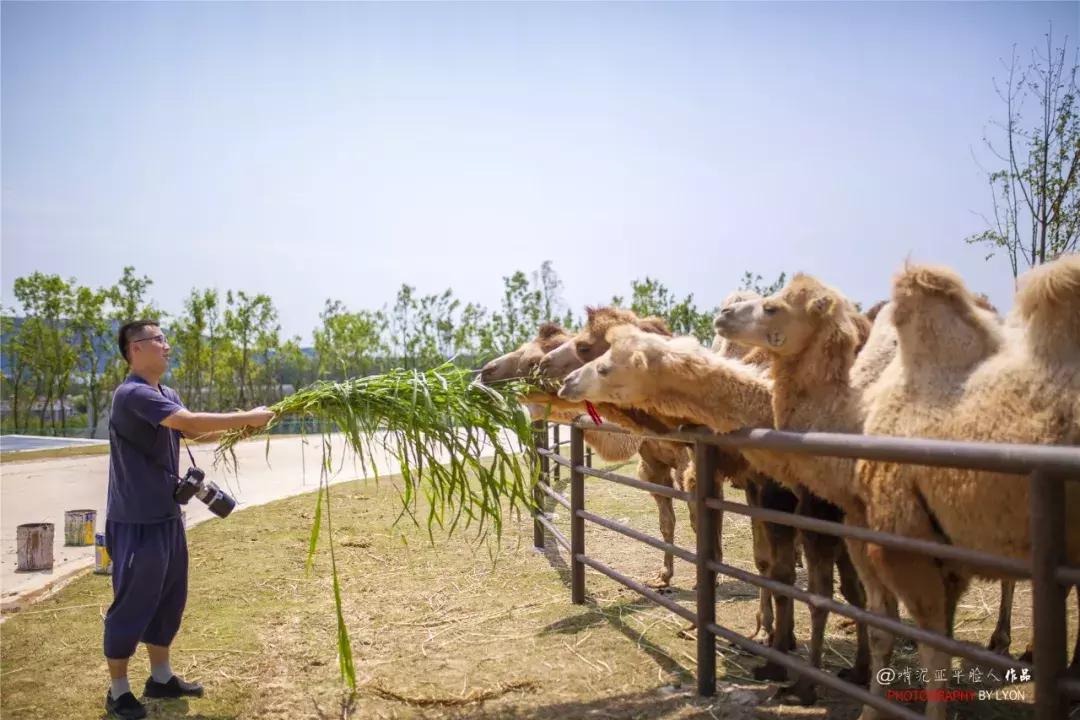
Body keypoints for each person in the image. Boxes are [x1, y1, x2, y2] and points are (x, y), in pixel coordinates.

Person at [103, 320, 274, 719]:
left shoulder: (166, 393)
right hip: (136, 519)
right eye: (158, 339)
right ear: (135, 349)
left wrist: (244, 428)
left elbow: (194, 435)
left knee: (168, 598)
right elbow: (191, 422)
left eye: (164, 339)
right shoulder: (131, 394)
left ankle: (160, 678)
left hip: (166, 515)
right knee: (132, 602)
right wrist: (246, 414)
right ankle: (118, 690)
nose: (166, 345)